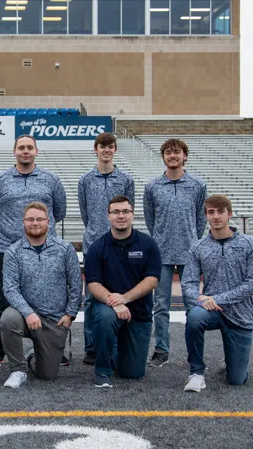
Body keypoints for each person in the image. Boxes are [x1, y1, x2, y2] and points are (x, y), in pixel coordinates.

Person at [0, 134, 66, 368]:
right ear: (14, 152)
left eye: (30, 147)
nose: (26, 151)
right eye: (21, 148)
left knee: (50, 298)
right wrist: (12, 231)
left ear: (36, 151)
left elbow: (58, 212)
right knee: (2, 301)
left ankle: (53, 346)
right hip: (7, 248)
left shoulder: (51, 179)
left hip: (45, 249)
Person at [181, 194, 253, 392]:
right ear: (206, 216)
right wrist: (200, 299)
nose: (216, 216)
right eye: (211, 212)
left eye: (220, 212)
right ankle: (196, 373)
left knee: (236, 380)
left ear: (229, 214)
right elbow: (188, 283)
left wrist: (216, 298)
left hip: (239, 313)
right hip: (211, 311)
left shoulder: (249, 244)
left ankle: (231, 360)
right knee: (194, 317)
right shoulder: (198, 247)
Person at [0, 202, 81, 388]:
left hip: (54, 320)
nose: (34, 223)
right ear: (23, 223)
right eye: (30, 219)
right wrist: (28, 313)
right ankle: (18, 370)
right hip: (25, 316)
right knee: (8, 318)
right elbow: (10, 289)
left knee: (47, 375)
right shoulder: (13, 252)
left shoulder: (65, 249)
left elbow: (76, 285)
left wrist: (69, 315)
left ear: (48, 222)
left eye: (39, 219)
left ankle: (30, 355)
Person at [84, 195, 161, 388]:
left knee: (133, 373)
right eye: (116, 212)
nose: (121, 216)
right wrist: (115, 303)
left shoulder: (148, 244)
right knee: (105, 317)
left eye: (125, 211)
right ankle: (102, 372)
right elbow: (93, 284)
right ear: (108, 216)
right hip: (108, 309)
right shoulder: (97, 247)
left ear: (132, 215)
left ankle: (115, 349)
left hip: (138, 313)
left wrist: (125, 299)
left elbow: (152, 280)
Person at [143, 138, 207, 367]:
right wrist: (161, 239)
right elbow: (151, 220)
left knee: (193, 305)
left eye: (177, 152)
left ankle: (194, 352)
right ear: (163, 157)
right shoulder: (152, 187)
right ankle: (161, 350)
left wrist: (193, 242)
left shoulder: (198, 185)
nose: (173, 156)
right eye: (168, 153)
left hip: (190, 253)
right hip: (161, 254)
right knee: (160, 305)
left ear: (184, 156)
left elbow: (201, 219)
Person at [78, 132, 135, 366]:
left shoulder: (125, 179)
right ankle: (91, 347)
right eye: (102, 146)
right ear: (95, 149)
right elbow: (85, 212)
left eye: (110, 146)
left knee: (121, 292)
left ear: (115, 150)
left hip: (120, 244)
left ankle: (120, 344)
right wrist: (95, 231)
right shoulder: (85, 180)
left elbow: (128, 210)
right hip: (94, 244)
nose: (106, 150)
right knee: (92, 297)